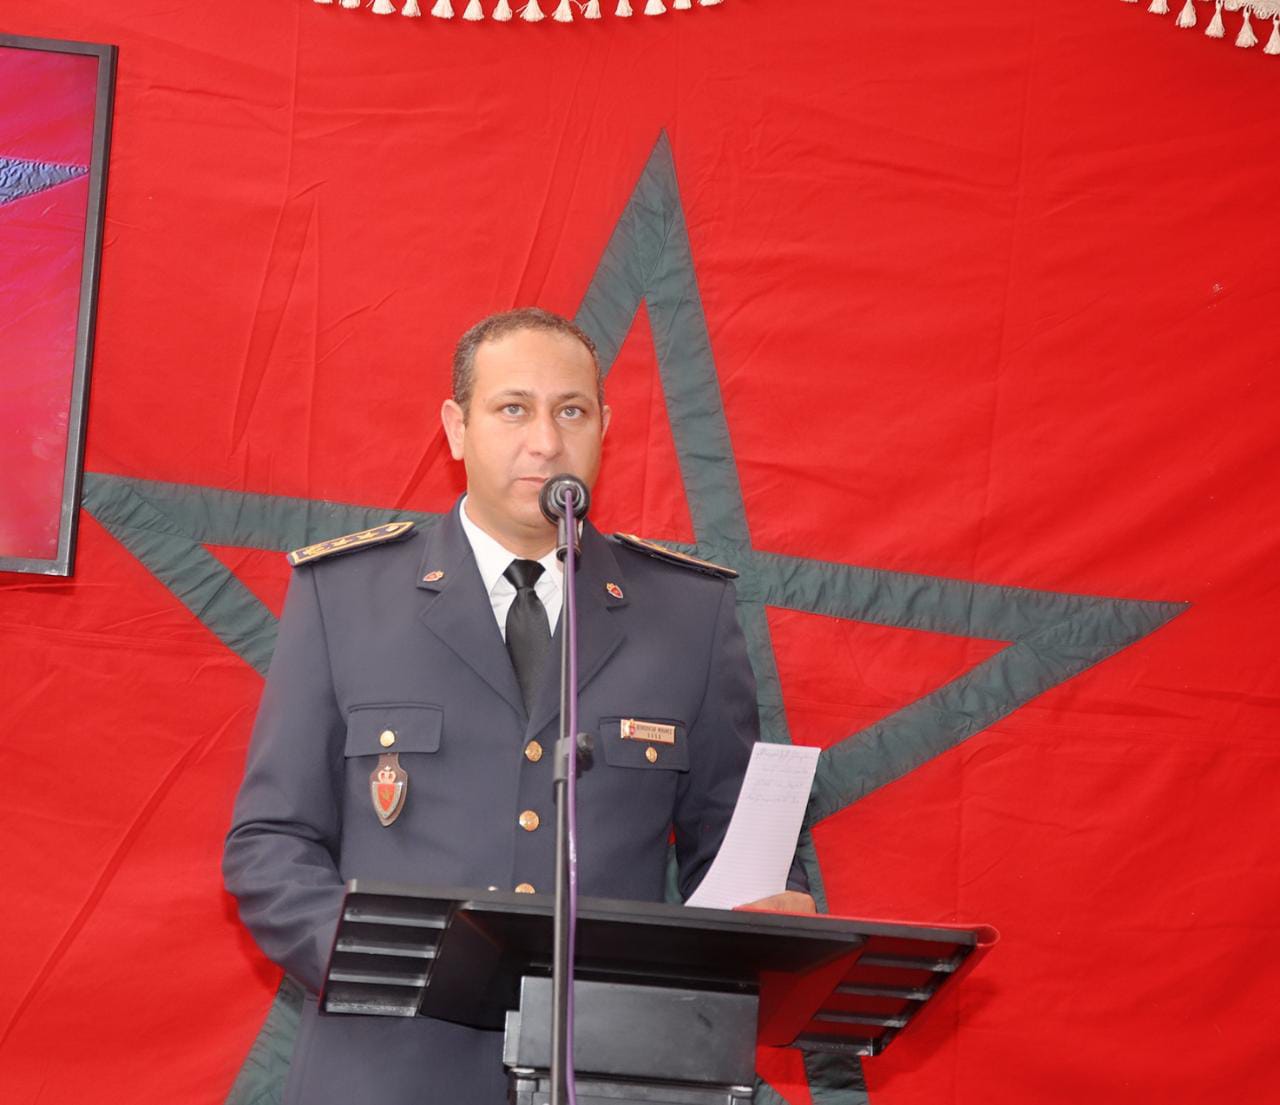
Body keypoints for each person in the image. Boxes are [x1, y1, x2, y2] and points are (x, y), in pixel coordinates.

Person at [222, 307, 812, 1105]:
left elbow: (733, 848)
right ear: (455, 428)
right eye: (513, 408)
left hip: (611, 1072)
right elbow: (271, 843)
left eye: (571, 411)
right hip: (388, 1068)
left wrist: (769, 913)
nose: (545, 440)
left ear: (605, 427)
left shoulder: (687, 615)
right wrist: (395, 965)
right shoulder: (346, 597)